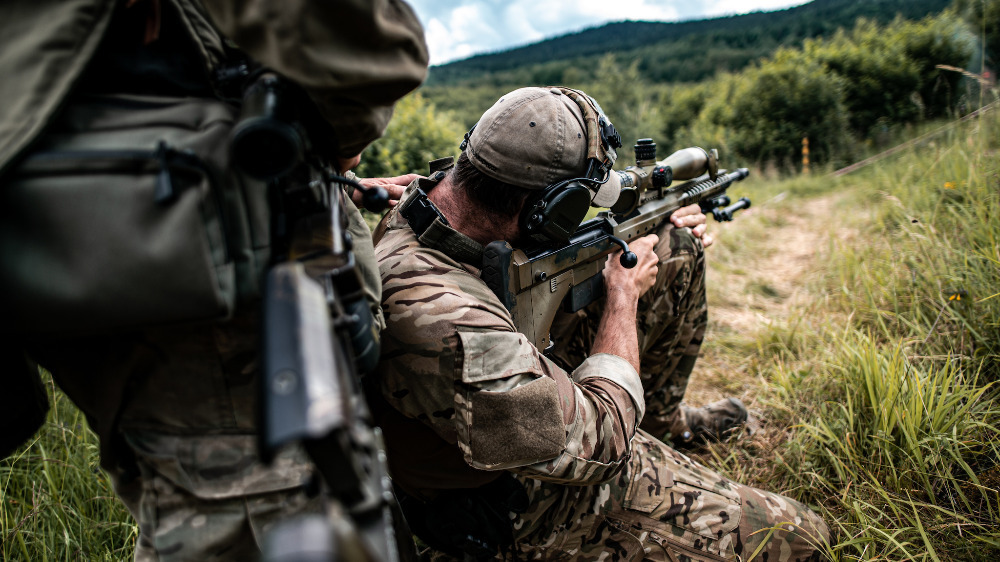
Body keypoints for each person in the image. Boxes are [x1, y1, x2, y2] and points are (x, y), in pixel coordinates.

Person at [0, 0, 427, 559]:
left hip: (49, 233)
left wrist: (314, 179)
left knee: (175, 486)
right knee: (266, 495)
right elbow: (372, 56)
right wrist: (308, 159)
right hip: (207, 268)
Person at [370, 87, 831, 560]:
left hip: (477, 418)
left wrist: (659, 227)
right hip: (501, 501)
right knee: (801, 538)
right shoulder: (450, 324)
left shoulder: (420, 202)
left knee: (673, 246)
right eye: (580, 205)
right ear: (548, 207)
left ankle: (662, 422)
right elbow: (602, 444)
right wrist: (622, 299)